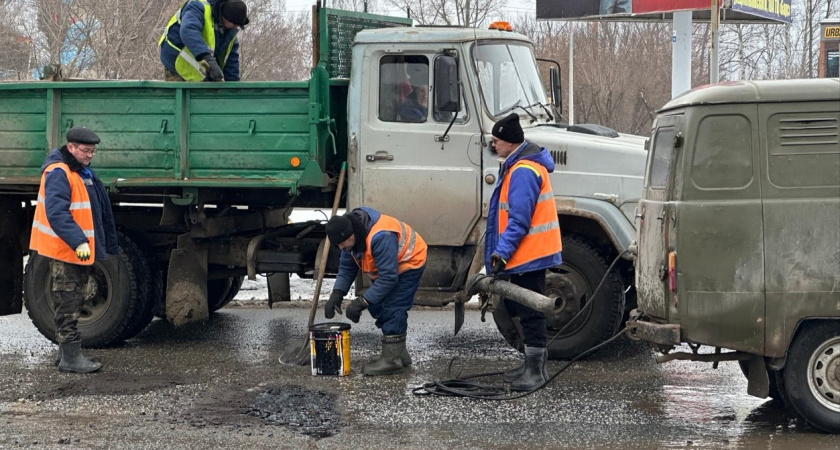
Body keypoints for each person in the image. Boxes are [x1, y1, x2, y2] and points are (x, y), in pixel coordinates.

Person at [29, 127, 119, 374]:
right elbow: (57, 212)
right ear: (71, 147)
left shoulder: (80, 171)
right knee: (68, 300)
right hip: (65, 250)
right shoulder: (59, 172)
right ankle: (70, 357)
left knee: (72, 298)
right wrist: (78, 240)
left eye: (93, 151)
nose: (90, 155)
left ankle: (64, 355)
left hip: (74, 250)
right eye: (86, 150)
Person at [485, 113, 562, 391]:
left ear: (509, 141)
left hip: (529, 254)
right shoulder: (520, 166)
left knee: (530, 313)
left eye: (496, 141)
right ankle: (532, 366)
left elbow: (519, 219)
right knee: (523, 308)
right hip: (527, 252)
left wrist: (501, 252)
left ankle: (536, 372)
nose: (494, 145)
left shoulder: (523, 171)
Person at [323, 207, 427, 376]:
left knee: (394, 307)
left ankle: (391, 361)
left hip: (410, 262)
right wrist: (337, 295)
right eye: (338, 245)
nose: (342, 248)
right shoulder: (350, 239)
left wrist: (361, 302)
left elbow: (388, 278)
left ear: (352, 234)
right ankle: (398, 354)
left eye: (343, 243)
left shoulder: (381, 236)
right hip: (388, 269)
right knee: (376, 304)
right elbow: (346, 269)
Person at [159, 0, 250, 82]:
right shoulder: (197, 7)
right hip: (176, 59)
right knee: (182, 97)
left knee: (204, 96)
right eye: (234, 24)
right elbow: (189, 30)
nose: (235, 27)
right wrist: (208, 58)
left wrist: (234, 90)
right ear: (224, 17)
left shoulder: (229, 33)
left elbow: (231, 62)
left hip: (198, 70)